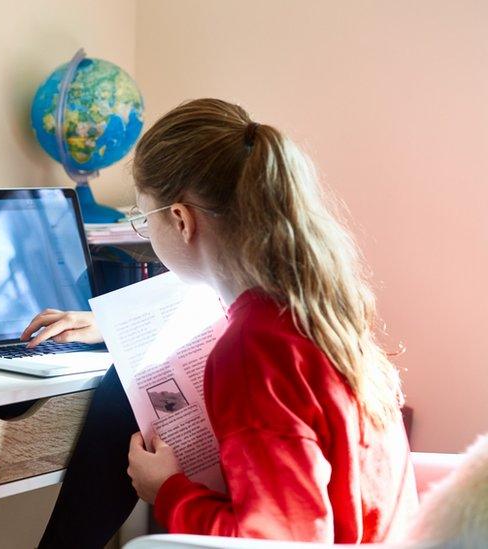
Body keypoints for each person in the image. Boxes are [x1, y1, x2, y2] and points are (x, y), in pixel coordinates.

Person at [28, 98, 418, 547]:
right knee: (124, 384)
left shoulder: (254, 351)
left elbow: (281, 540)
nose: (145, 232)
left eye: (142, 218)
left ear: (180, 220)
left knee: (118, 399)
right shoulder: (316, 310)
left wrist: (168, 491)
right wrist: (112, 327)